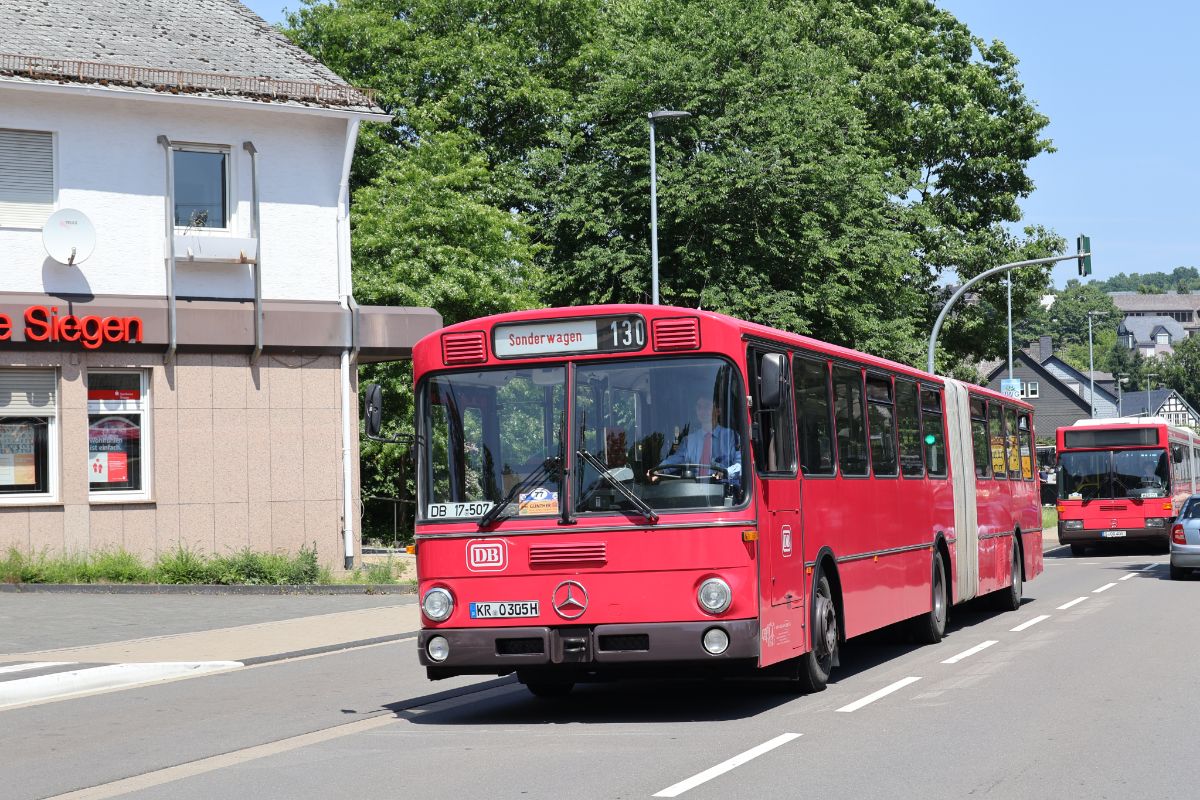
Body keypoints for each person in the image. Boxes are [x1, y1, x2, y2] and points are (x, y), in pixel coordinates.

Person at [651, 395, 742, 488]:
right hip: (695, 492)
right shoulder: (688, 441)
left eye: (706, 407)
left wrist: (726, 472)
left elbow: (741, 465)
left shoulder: (731, 437)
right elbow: (675, 460)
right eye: (699, 407)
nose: (702, 411)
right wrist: (659, 470)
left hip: (723, 491)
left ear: (718, 411)